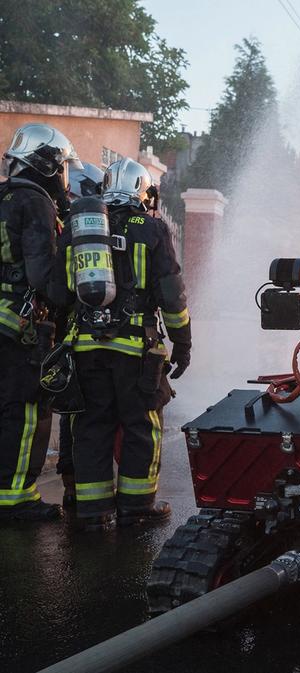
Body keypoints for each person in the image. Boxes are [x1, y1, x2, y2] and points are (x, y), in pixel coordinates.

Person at [51, 158, 191, 530]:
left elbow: (59, 293)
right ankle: (136, 505)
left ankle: (94, 511)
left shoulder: (78, 232)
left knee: (92, 425)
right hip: (135, 350)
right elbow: (172, 295)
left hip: (84, 347)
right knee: (141, 424)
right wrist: (183, 343)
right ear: (143, 191)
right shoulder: (153, 229)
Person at [0, 123, 82, 522]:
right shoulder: (35, 203)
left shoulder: (3, 197)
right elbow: (40, 277)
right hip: (20, 328)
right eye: (63, 168)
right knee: (26, 412)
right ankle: (16, 500)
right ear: (49, 164)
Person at [57, 162, 106, 509]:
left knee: (73, 412)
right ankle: (89, 492)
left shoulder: (65, 229)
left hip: (70, 334)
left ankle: (72, 487)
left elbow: (56, 286)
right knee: (92, 414)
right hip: (94, 334)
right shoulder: (94, 228)